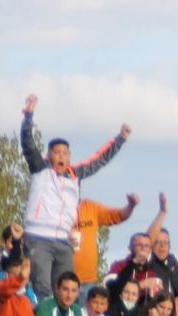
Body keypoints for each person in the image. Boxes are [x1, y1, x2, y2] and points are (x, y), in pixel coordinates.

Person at [19, 94, 129, 294]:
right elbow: (28, 145)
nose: (61, 156)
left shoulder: (75, 175)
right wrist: (28, 116)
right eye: (56, 152)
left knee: (67, 287)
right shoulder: (41, 170)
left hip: (63, 238)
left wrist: (120, 139)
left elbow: (99, 160)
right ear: (49, 155)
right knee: (43, 287)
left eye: (65, 153)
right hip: (39, 235)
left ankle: (64, 315)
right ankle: (43, 313)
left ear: (69, 157)